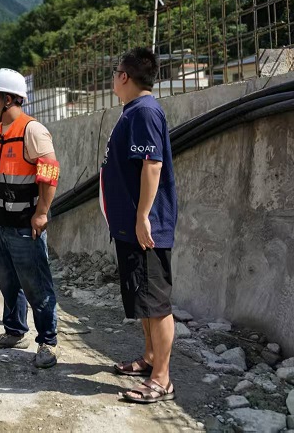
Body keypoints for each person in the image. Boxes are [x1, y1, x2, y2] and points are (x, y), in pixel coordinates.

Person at [101, 47, 178, 404]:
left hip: (145, 227)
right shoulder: (133, 110)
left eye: (115, 72)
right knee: (143, 297)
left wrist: (143, 215)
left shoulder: (145, 111)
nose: (113, 78)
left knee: (156, 302)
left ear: (124, 76)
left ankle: (162, 379)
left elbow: (152, 165)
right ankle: (149, 358)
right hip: (130, 226)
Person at [0, 68, 61, 369]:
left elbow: (50, 172)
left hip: (25, 226)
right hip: (1, 225)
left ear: (7, 99)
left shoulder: (32, 130)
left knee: (36, 285)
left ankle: (48, 342)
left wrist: (41, 212)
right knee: (8, 283)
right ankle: (15, 331)